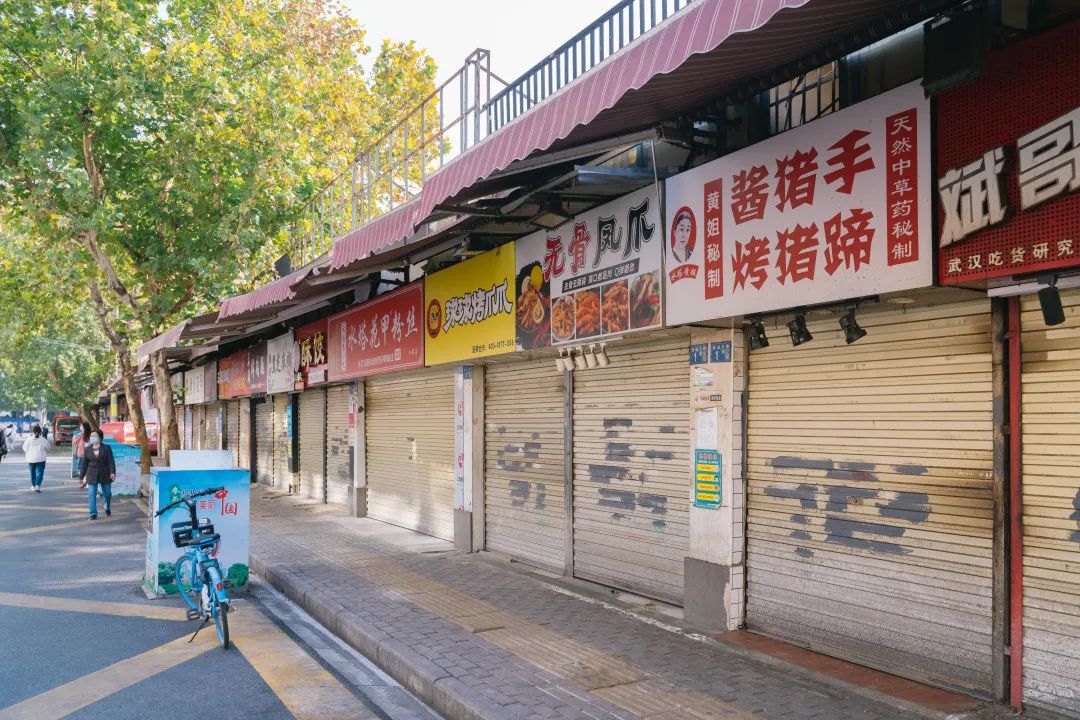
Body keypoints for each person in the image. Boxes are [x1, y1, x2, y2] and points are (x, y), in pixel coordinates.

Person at [79, 431, 115, 519]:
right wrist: (81, 477)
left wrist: (112, 472)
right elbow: (84, 464)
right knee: (91, 494)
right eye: (91, 436)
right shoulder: (87, 449)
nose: (92, 437)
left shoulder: (106, 448)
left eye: (94, 436)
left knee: (107, 493)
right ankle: (93, 513)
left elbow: (111, 462)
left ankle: (107, 507)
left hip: (105, 474)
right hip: (92, 474)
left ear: (100, 437)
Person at [22, 424, 50, 492]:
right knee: (40, 472)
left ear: (33, 432)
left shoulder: (28, 440)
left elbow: (24, 448)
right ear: (41, 432)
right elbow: (48, 448)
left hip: (31, 459)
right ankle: (37, 486)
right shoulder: (43, 440)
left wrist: (29, 452)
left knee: (33, 473)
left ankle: (33, 485)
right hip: (41, 459)